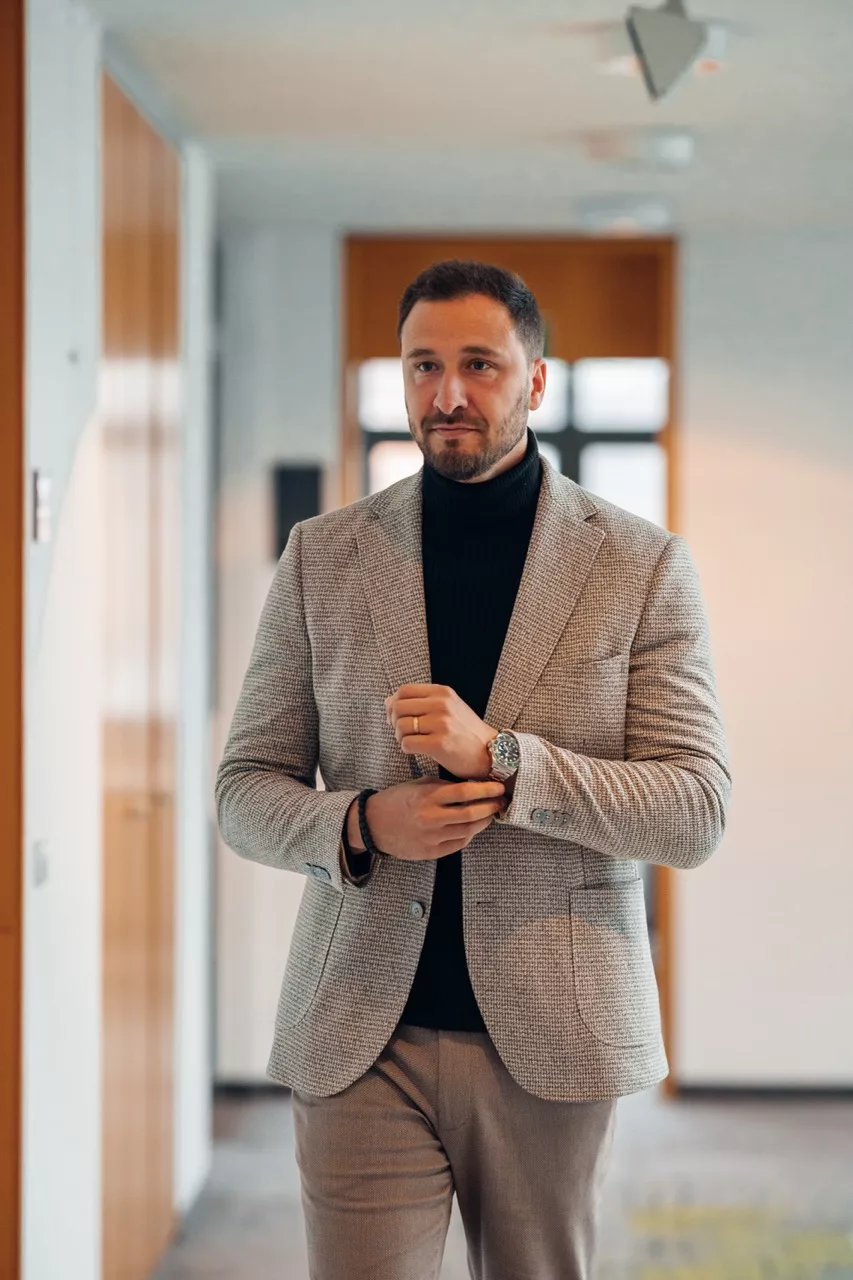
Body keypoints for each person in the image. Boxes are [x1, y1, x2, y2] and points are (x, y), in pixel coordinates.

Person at [215, 259, 731, 1280]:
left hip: (554, 1032)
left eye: (479, 364)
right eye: (423, 365)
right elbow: (243, 790)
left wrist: (504, 761)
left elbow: (693, 809)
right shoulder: (322, 555)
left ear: (534, 380)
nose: (447, 392)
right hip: (359, 1028)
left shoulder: (640, 564)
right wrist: (362, 822)